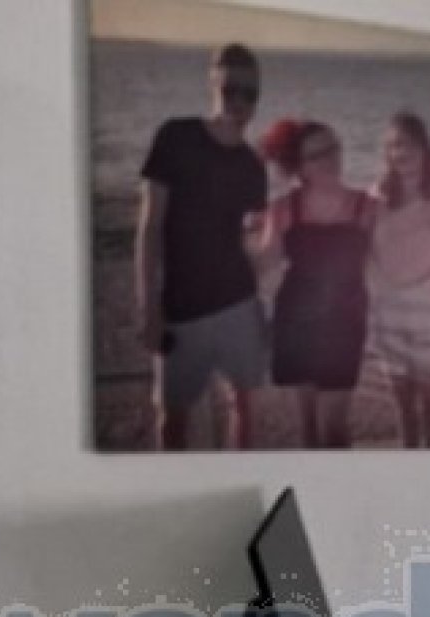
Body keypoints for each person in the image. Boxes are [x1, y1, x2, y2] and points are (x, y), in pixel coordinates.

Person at [135, 44, 270, 452]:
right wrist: (148, 307)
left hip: (239, 305)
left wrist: (265, 305)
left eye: (250, 93)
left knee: (246, 409)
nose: (240, 102)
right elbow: (149, 228)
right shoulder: (176, 137)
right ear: (212, 83)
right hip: (181, 311)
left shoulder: (253, 166)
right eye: (230, 90)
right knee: (172, 420)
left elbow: (251, 240)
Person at [260, 119, 375, 450]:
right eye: (318, 154)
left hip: (346, 322)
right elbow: (265, 261)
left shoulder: (367, 206)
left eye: (333, 148)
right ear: (300, 167)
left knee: (333, 427)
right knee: (308, 427)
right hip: (296, 321)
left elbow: (390, 260)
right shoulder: (284, 208)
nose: (330, 158)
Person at [371, 113, 430, 449]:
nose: (401, 152)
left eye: (408, 144)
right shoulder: (377, 196)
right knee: (403, 404)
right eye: (394, 145)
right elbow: (366, 252)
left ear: (423, 149)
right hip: (388, 305)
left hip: (426, 303)